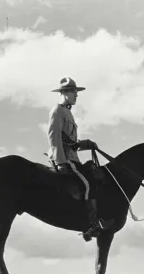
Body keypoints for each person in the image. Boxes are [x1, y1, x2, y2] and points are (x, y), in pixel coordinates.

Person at [47, 76, 112, 241]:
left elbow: (71, 142)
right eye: (74, 92)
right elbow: (54, 138)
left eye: (76, 92)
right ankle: (91, 225)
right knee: (87, 183)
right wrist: (60, 162)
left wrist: (86, 144)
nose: (77, 95)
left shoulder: (68, 112)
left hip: (73, 157)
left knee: (94, 176)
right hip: (65, 159)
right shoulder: (57, 110)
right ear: (65, 93)